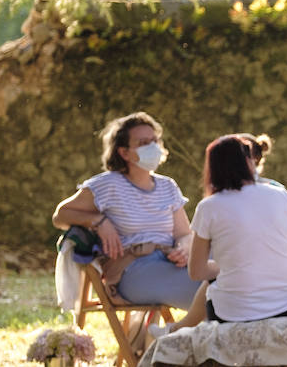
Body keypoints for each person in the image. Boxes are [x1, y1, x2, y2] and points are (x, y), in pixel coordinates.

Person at [149, 135, 287, 334]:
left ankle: (175, 329)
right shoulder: (279, 196)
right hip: (286, 308)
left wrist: (227, 267)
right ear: (249, 162)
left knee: (214, 283)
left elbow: (196, 272)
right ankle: (176, 328)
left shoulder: (209, 207)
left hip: (228, 314)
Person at [52, 112, 203, 313]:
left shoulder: (168, 186)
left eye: (154, 141)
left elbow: (184, 233)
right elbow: (60, 216)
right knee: (211, 290)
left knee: (230, 276)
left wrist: (184, 249)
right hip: (132, 271)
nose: (152, 147)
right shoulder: (107, 184)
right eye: (143, 142)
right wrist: (98, 221)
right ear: (124, 153)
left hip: (169, 263)